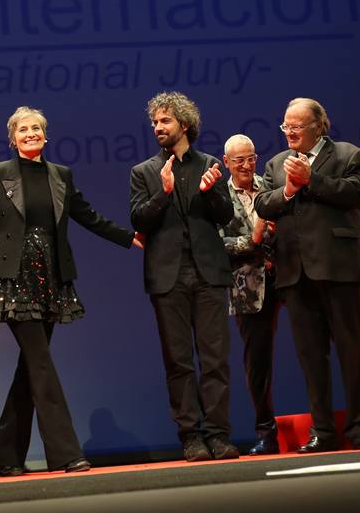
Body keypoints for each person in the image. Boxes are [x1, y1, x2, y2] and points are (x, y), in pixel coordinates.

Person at [0, 107, 141, 476]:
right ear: (12, 138)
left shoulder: (61, 175)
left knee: (30, 367)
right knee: (41, 364)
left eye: (37, 128)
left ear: (46, 135)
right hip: (13, 280)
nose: (30, 133)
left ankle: (4, 455)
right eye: (23, 129)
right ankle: (66, 453)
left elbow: (88, 216)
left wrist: (129, 237)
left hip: (51, 279)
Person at [220, 134, 360, 456]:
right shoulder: (218, 198)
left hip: (290, 272)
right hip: (250, 285)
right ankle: (266, 432)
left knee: (332, 330)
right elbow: (216, 245)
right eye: (239, 160)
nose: (247, 165)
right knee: (258, 361)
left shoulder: (271, 177)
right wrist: (253, 239)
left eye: (251, 158)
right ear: (226, 163)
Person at [254, 97, 360, 453]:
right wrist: (289, 189)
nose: (289, 132)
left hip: (338, 269)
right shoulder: (277, 164)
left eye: (296, 126)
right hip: (295, 271)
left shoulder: (348, 155)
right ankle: (322, 431)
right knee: (311, 357)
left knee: (351, 352)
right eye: (285, 126)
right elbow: (262, 203)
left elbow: (356, 194)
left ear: (318, 126)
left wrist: (313, 179)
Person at [129, 91, 239, 462]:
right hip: (168, 277)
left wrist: (210, 193)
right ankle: (191, 437)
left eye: (165, 121)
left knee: (215, 359)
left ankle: (219, 435)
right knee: (178, 362)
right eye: (155, 123)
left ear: (185, 124)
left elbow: (226, 217)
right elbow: (139, 220)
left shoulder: (209, 164)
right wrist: (163, 193)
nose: (158, 128)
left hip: (209, 273)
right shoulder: (144, 171)